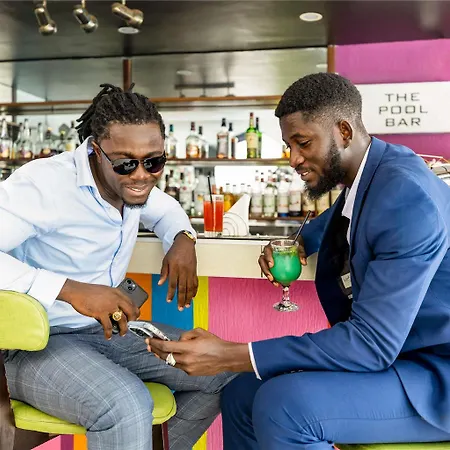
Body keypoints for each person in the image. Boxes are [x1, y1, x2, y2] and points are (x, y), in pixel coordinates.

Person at [148, 73, 450, 449]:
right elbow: (337, 220)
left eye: (303, 143)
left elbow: (370, 343)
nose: (293, 159)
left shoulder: (406, 196)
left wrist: (231, 354)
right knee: (243, 392)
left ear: (343, 131)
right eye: (289, 145)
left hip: (435, 378)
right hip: (400, 361)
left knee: (284, 406)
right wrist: (296, 242)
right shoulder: (374, 171)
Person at [0, 83, 233, 450]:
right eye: (126, 163)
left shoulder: (132, 184)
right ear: (96, 151)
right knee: (124, 405)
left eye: (154, 162)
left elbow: (166, 209)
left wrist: (183, 239)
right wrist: (70, 290)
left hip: (107, 332)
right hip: (35, 343)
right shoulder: (43, 184)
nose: (141, 175)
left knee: (219, 367)